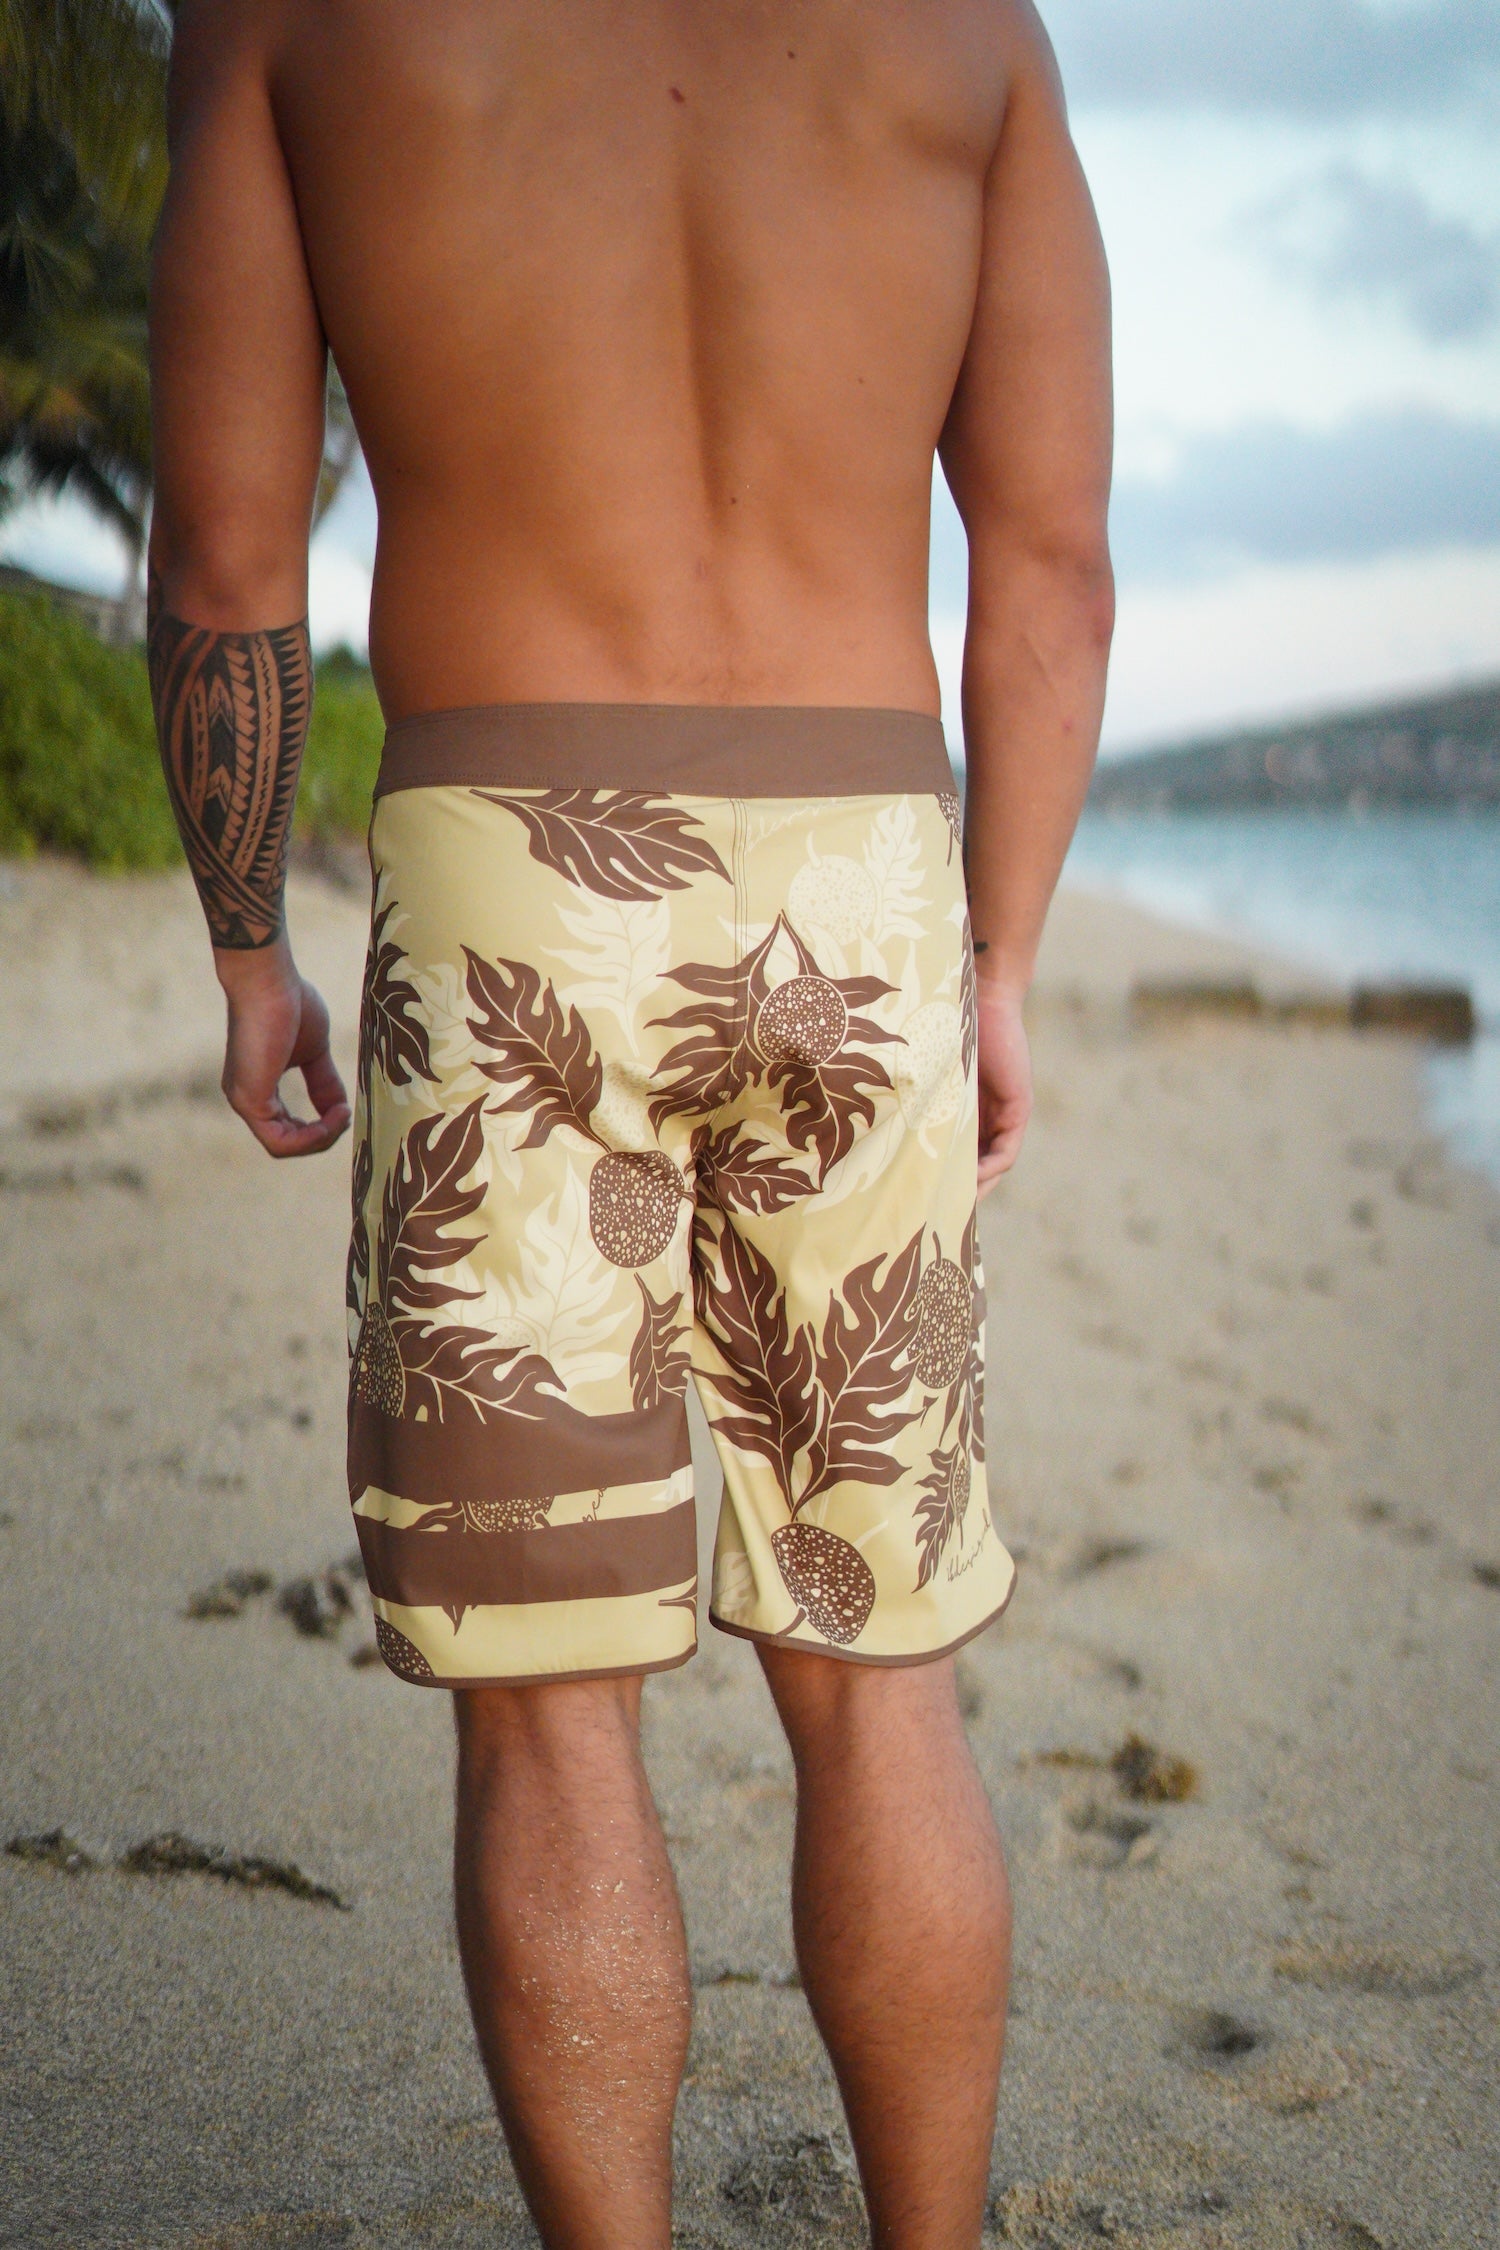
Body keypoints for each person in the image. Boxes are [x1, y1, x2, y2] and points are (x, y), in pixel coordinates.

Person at [147, 1, 1112, 2242]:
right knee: (880, 1676)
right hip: (859, 880)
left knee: (549, 1703)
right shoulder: (972, 33)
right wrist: (999, 960)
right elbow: (1051, 563)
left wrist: (246, 948)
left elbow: (224, 553)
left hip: (510, 875)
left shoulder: (280, 16)